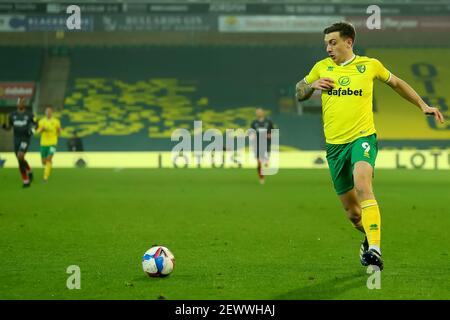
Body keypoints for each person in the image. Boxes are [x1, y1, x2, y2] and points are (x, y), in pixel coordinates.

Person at [295, 22, 444, 270]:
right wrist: (312, 86)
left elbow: (397, 83)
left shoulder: (369, 65)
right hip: (334, 146)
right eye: (326, 44)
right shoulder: (321, 68)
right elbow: (298, 91)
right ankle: (367, 239)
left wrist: (423, 105)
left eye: (333, 43)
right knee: (354, 214)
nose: (328, 49)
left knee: (363, 183)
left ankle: (375, 248)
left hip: (362, 138)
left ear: (348, 42)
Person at [2, 97, 37, 188]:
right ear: (17, 104)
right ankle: (29, 171)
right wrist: (4, 127)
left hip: (25, 139)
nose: (20, 104)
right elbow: (9, 127)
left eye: (22, 102)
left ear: (24, 104)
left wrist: (32, 130)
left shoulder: (30, 115)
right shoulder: (12, 115)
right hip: (16, 140)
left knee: (20, 155)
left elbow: (36, 124)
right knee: (20, 159)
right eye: (18, 102)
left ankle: (26, 181)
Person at [36, 106, 61, 182]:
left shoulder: (56, 121)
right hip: (43, 143)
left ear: (52, 112)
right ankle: (49, 166)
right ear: (45, 112)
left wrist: (57, 133)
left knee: (49, 159)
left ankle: (45, 177)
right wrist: (42, 130)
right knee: (44, 162)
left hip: (53, 143)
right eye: (47, 111)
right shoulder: (41, 122)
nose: (48, 113)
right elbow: (37, 132)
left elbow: (59, 131)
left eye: (50, 111)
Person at [250, 108, 275, 185]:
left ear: (263, 113)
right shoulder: (254, 123)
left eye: (260, 112)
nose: (258, 113)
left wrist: (270, 135)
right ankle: (261, 178)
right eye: (257, 112)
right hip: (257, 143)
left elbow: (272, 131)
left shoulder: (268, 122)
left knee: (265, 157)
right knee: (259, 162)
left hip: (266, 143)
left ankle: (266, 159)